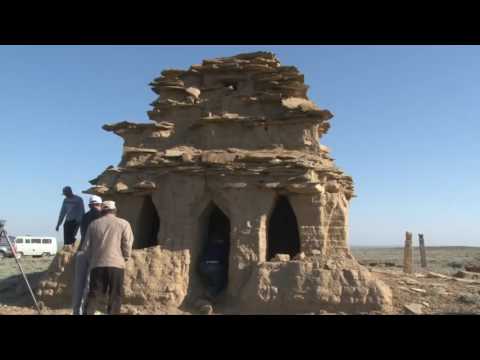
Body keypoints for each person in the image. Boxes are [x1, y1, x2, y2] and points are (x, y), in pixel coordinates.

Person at [83, 201, 134, 315]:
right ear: (115, 210)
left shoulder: (93, 224)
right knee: (115, 295)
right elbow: (127, 243)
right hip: (116, 264)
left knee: (94, 294)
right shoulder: (123, 223)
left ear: (102, 211)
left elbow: (86, 247)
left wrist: (92, 259)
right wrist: (125, 257)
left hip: (97, 265)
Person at [72, 195, 103, 315]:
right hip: (92, 252)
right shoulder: (100, 216)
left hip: (81, 251)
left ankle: (76, 311)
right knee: (89, 284)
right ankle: (85, 311)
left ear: (90, 205)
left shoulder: (84, 216)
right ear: (99, 205)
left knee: (78, 284)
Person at [198, 231, 229, 300]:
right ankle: (209, 295)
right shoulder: (223, 247)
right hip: (214, 266)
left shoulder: (210, 245)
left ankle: (208, 293)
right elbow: (225, 260)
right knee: (222, 280)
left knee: (211, 279)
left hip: (202, 266)